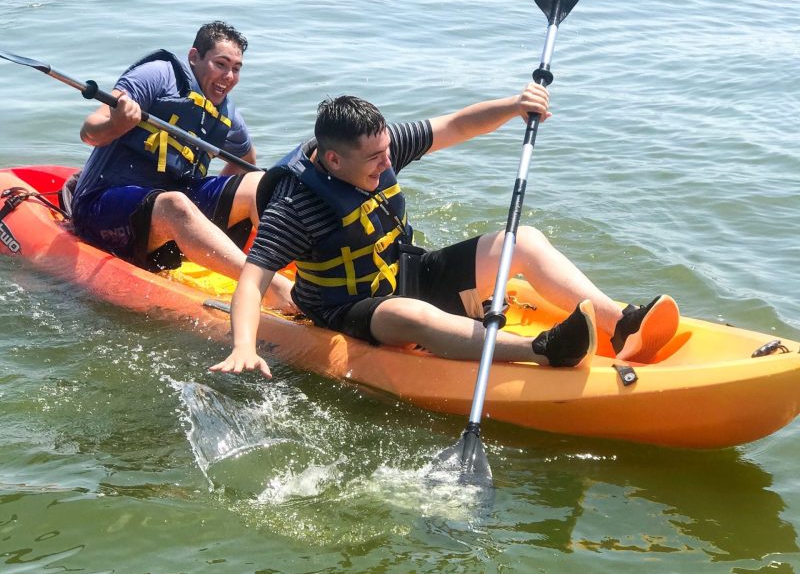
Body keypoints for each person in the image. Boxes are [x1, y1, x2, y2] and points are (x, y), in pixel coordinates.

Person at [210, 84, 679, 377]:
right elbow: (252, 282)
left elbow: (454, 125)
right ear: (334, 160)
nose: (387, 162)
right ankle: (542, 351)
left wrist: (514, 105)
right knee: (412, 315)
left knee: (523, 241)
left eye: (386, 151)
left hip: (404, 273)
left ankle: (620, 328)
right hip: (348, 310)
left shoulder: (377, 145)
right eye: (375, 159)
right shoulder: (295, 206)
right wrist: (245, 347)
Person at [70, 21, 294, 311]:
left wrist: (206, 222)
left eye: (236, 68)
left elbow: (246, 164)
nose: (228, 76)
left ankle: (301, 273)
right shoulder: (156, 76)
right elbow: (89, 131)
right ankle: (269, 286)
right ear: (194, 57)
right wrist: (116, 123)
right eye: (220, 64)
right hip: (102, 207)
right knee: (176, 204)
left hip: (167, 221)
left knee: (261, 183)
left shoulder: (227, 115)